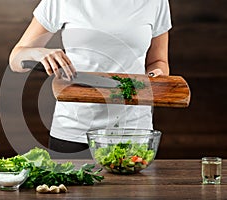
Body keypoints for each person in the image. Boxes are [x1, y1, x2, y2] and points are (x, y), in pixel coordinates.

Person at [9, 0, 172, 153]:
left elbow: (159, 61)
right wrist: (37, 53)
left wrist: (155, 75)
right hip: (73, 132)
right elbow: (15, 59)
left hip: (135, 132)